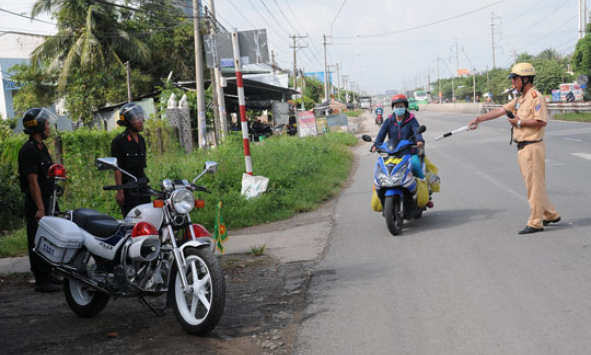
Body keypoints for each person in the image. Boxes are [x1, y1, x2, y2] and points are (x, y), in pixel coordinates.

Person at [467, 62, 561, 235]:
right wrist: (478, 119)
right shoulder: (520, 99)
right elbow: (499, 111)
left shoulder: (535, 97)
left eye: (515, 79)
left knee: (534, 186)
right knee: (531, 185)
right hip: (523, 148)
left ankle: (535, 222)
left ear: (526, 79)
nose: (513, 83)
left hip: (533, 147)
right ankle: (551, 214)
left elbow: (541, 122)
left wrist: (519, 122)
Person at [18, 107, 61, 293]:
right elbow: (33, 182)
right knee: (38, 240)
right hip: (38, 203)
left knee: (49, 239)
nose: (49, 127)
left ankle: (49, 273)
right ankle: (41, 280)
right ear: (37, 126)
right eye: (47, 123)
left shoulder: (41, 147)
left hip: (48, 200)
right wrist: (41, 208)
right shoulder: (28, 150)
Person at [110, 103, 151, 217]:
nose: (140, 121)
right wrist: (120, 191)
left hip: (143, 187)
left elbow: (141, 167)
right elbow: (117, 168)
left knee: (148, 217)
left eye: (140, 117)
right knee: (133, 220)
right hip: (129, 189)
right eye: (135, 118)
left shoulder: (141, 140)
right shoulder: (119, 141)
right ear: (127, 121)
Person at [372, 94, 425, 179]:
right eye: (396, 106)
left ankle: (424, 184)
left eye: (401, 106)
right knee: (382, 173)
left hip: (410, 152)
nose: (399, 108)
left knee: (415, 167)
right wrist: (375, 145)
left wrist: (419, 140)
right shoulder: (388, 121)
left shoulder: (412, 120)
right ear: (393, 107)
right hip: (393, 154)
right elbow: (381, 134)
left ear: (405, 107)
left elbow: (416, 130)